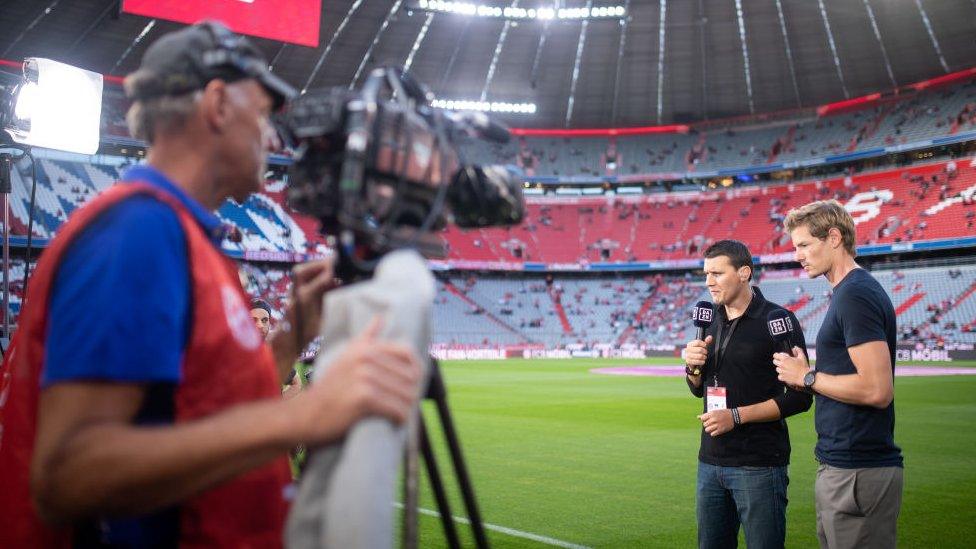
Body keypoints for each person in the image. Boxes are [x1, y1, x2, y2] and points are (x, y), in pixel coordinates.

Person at [0, 21, 422, 547]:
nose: (272, 137)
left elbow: (208, 406)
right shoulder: (139, 232)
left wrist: (293, 334)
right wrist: (303, 417)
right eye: (264, 113)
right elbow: (67, 477)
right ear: (218, 104)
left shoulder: (183, 234)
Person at [775, 200, 903, 548]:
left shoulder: (855, 295)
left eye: (804, 245)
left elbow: (878, 389)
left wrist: (806, 378)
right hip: (845, 466)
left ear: (833, 237)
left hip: (858, 469)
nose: (798, 255)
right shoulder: (849, 292)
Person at [683, 240, 811, 549]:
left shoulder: (777, 321)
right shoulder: (709, 317)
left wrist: (735, 417)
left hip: (759, 464)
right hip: (710, 461)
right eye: (705, 274)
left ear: (744, 273)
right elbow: (698, 387)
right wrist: (692, 367)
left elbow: (800, 397)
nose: (708, 282)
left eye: (717, 273)